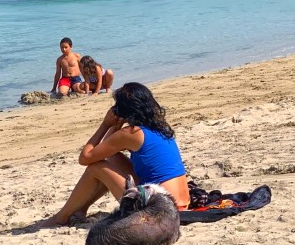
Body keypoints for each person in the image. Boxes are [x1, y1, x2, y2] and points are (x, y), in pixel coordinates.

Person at [39, 82, 190, 227]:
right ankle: (80, 209)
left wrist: (105, 125)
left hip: (159, 209)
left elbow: (85, 158)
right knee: (112, 158)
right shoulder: (158, 127)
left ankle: (62, 217)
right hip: (179, 203)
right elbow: (107, 150)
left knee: (95, 167)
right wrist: (117, 125)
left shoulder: (131, 133)